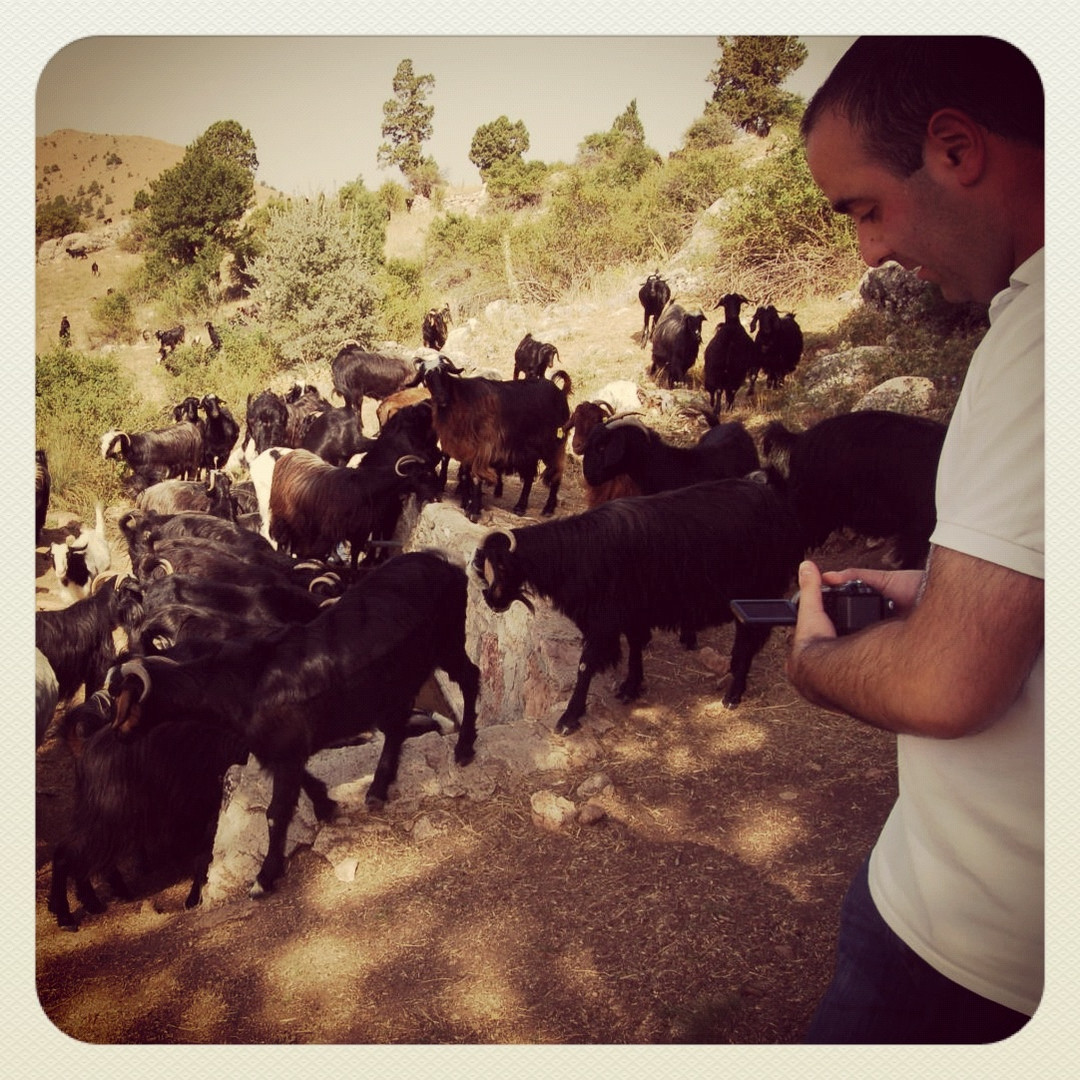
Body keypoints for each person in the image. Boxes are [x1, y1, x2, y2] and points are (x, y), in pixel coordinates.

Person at [787, 36, 1044, 1043]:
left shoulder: (1039, 337)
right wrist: (949, 587)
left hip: (968, 948)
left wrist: (815, 660)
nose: (866, 251)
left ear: (954, 148)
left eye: (862, 206)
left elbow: (946, 685)